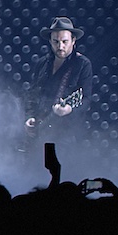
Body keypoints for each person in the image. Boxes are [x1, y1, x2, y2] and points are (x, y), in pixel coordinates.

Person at [22, 17, 93, 148]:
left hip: (65, 136)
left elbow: (86, 99)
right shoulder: (42, 63)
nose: (60, 47)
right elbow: (32, 94)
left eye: (65, 41)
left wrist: (69, 109)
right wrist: (29, 117)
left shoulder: (83, 64)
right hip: (40, 131)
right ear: (50, 41)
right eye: (56, 41)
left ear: (73, 41)